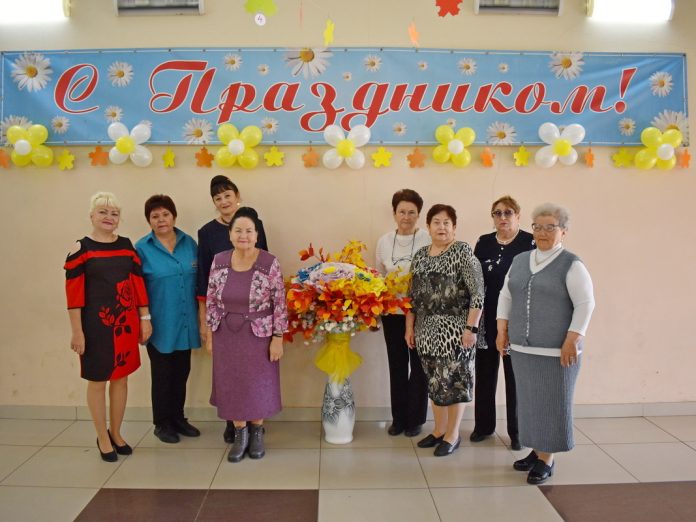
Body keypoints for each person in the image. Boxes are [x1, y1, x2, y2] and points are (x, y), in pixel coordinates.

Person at [496, 203, 595, 484]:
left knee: (552, 403)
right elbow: (506, 295)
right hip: (522, 349)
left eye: (550, 227)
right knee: (528, 403)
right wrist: (502, 329)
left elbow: (586, 304)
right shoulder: (520, 260)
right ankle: (536, 450)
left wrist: (573, 338)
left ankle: (547, 459)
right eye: (538, 227)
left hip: (557, 351)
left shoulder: (571, 264)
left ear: (563, 231)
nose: (542, 232)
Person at [64, 192, 151, 462]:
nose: (109, 217)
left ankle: (116, 433)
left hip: (125, 325)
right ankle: (102, 436)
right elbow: (74, 296)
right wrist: (77, 332)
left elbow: (138, 284)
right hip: (95, 327)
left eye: (114, 213)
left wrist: (144, 318)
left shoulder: (126, 246)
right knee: (98, 380)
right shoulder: (81, 249)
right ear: (91, 215)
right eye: (103, 212)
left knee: (121, 378)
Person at [205, 207, 288, 463]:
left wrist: (278, 338)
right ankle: (240, 433)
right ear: (230, 234)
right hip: (225, 334)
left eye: (249, 231)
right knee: (231, 382)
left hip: (259, 335)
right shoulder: (219, 260)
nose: (244, 235)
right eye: (238, 230)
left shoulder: (268, 262)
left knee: (257, 383)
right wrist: (210, 334)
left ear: (256, 235)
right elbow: (211, 299)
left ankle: (257, 432)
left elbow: (280, 302)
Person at [405, 204, 484, 457]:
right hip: (426, 329)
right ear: (428, 227)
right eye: (436, 222)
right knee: (434, 381)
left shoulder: (462, 251)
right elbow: (411, 296)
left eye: (447, 222)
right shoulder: (420, 255)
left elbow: (478, 294)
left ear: (454, 227)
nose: (441, 227)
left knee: (455, 381)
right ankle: (439, 430)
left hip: (456, 330)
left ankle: (453, 434)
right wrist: (409, 327)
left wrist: (471, 328)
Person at [196, 175, 268, 442]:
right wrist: (205, 322)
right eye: (218, 198)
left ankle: (255, 423)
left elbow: (265, 264)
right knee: (229, 371)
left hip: (254, 315)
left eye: (227, 195)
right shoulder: (206, 232)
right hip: (224, 317)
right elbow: (204, 280)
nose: (224, 201)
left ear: (237, 196)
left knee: (253, 371)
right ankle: (233, 422)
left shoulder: (255, 223)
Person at [470, 196, 535, 450]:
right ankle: (483, 426)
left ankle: (518, 432)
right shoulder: (483, 242)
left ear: (518, 216)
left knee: (515, 377)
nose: (503, 217)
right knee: (484, 374)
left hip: (516, 319)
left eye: (508, 212)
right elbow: (474, 281)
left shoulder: (529, 242)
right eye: (497, 213)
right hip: (486, 319)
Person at [136, 195, 201, 444]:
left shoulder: (189, 243)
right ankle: (162, 423)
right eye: (155, 216)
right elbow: (137, 289)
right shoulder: (142, 248)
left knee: (182, 371)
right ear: (149, 220)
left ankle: (178, 418)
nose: (161, 220)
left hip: (186, 322)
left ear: (174, 216)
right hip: (159, 322)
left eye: (165, 214)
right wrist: (144, 318)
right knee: (162, 374)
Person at [375, 189, 431, 438]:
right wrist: (376, 313)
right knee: (396, 365)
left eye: (411, 212)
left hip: (420, 312)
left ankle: (415, 419)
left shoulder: (427, 239)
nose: (406, 217)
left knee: (419, 367)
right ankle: (398, 419)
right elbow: (378, 276)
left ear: (418, 215)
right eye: (402, 212)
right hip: (392, 312)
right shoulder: (384, 241)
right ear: (394, 213)